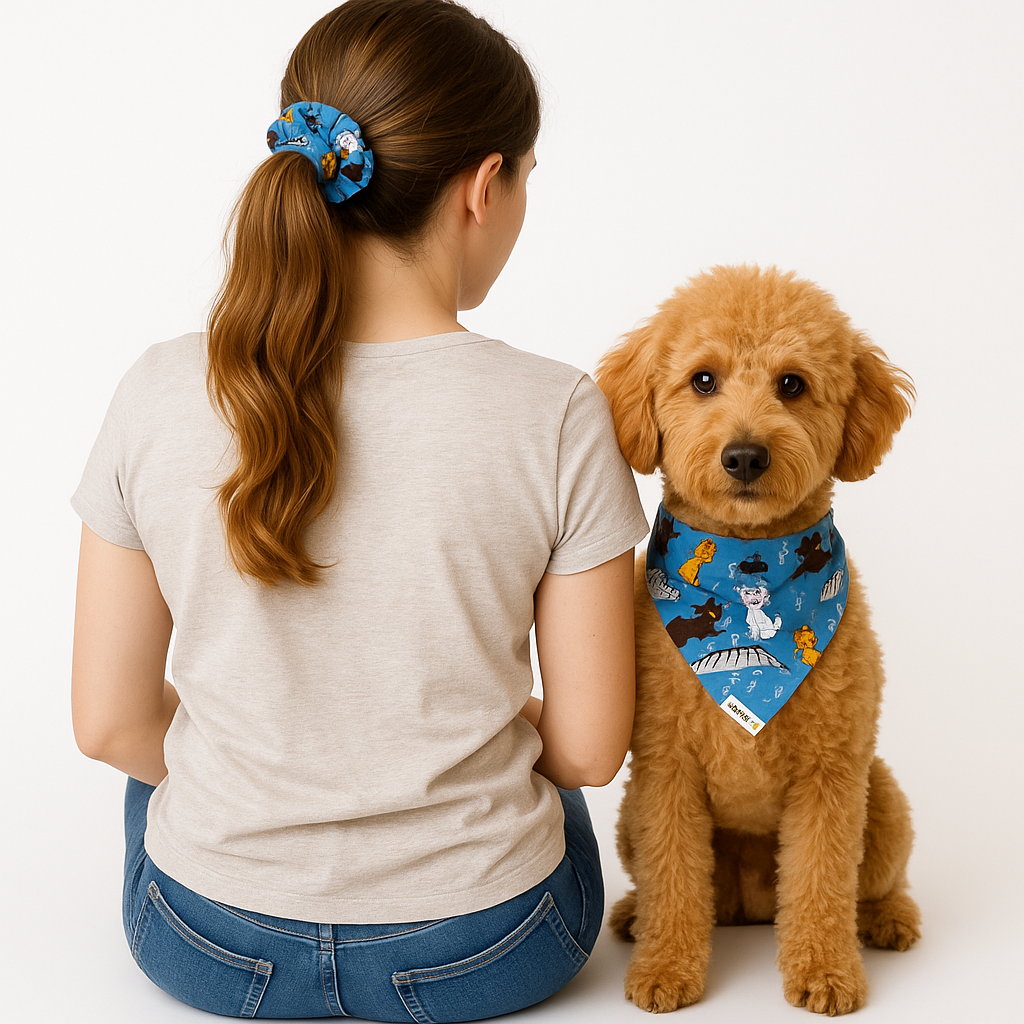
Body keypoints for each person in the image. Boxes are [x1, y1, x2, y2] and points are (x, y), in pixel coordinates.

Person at [70, 1, 649, 1019]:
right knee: (532, 784)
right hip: (489, 948)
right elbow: (590, 749)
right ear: (483, 185)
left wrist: (262, 776)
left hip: (206, 946)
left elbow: (111, 720)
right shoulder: (555, 410)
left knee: (173, 771)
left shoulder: (157, 389)